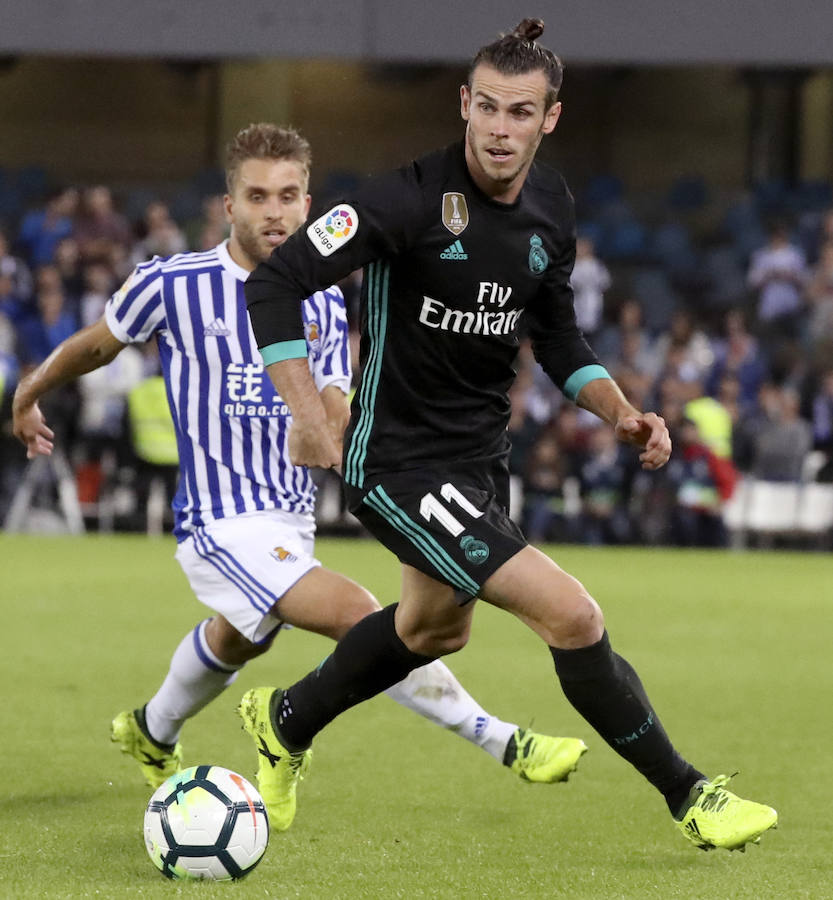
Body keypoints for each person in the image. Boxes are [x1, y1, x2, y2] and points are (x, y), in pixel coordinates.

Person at [243, 20, 778, 852]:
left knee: (430, 630)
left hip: (477, 462)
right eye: (486, 107)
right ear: (463, 104)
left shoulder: (550, 207)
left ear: (548, 119)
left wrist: (620, 412)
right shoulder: (405, 199)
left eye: (519, 113)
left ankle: (286, 720)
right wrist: (308, 412)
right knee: (570, 614)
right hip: (396, 464)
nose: (499, 128)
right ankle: (690, 795)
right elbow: (275, 284)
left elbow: (557, 339)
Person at [12, 122, 586, 827]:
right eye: (257, 196)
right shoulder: (173, 283)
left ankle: (150, 729)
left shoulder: (317, 299)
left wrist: (343, 430)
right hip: (219, 522)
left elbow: (336, 396)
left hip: (290, 519)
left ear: (308, 205)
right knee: (363, 618)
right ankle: (502, 740)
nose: (273, 212)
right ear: (229, 205)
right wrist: (31, 391)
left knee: (240, 634)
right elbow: (96, 345)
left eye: (288, 196)